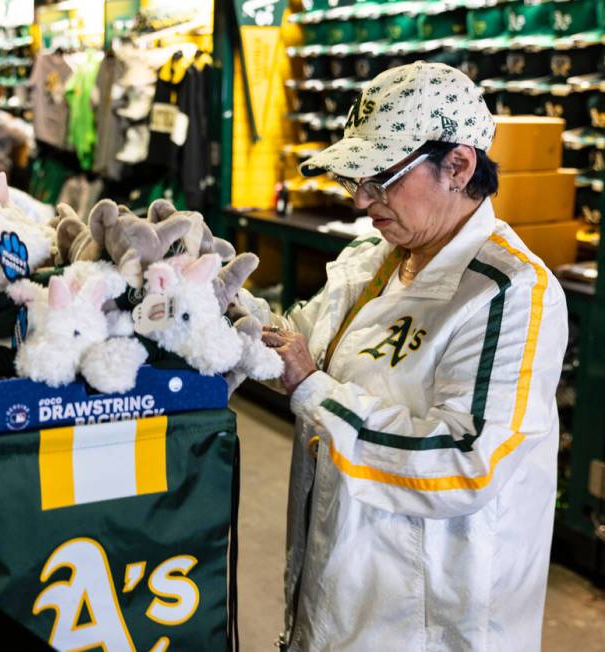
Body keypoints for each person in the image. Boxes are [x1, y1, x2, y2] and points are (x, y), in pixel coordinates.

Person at [256, 62, 568, 651]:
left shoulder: (508, 292)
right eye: (355, 180)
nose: (362, 200)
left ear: (458, 166)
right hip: (340, 594)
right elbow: (298, 341)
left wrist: (314, 392)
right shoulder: (374, 258)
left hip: (425, 624)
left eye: (381, 178)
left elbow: (465, 461)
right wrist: (218, 308)